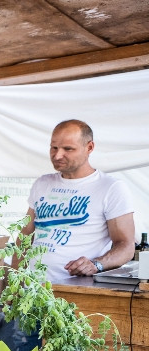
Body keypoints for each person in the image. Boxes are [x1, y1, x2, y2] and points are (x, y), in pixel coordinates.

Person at [21, 119, 135, 283]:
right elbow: (25, 235)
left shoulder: (111, 187)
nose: (58, 155)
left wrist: (96, 264)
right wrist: (15, 279)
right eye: (54, 148)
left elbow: (126, 246)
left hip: (75, 291)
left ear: (89, 147)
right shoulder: (42, 183)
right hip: (32, 290)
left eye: (68, 149)